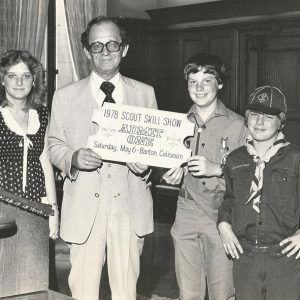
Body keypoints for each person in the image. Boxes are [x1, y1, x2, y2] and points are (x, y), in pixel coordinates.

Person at [48, 16, 157, 300]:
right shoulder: (64, 96)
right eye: (97, 46)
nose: (105, 52)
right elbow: (52, 144)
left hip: (129, 207)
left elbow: (155, 147)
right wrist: (72, 157)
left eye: (112, 44)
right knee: (83, 291)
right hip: (84, 207)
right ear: (86, 51)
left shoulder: (145, 94)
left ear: (124, 49)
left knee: (125, 291)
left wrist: (146, 167)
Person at [163, 53, 248, 300]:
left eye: (207, 80)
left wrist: (218, 169)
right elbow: (166, 165)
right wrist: (170, 174)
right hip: (186, 208)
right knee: (188, 293)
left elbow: (252, 175)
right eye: (193, 81)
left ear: (219, 83)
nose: (199, 88)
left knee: (223, 292)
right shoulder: (176, 124)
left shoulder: (238, 125)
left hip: (222, 213)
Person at [217, 86, 300, 300]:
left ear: (281, 121)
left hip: (285, 257)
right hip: (246, 257)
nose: (259, 122)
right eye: (254, 115)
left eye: (268, 116)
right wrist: (223, 225)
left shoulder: (295, 158)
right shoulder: (235, 160)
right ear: (246, 119)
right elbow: (229, 199)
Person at [0, 50, 59, 294]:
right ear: (2, 79)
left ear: (34, 80)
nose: (19, 82)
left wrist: (53, 211)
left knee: (33, 282)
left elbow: (46, 162)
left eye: (25, 76)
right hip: (3, 207)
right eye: (12, 76)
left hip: (35, 208)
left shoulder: (42, 115)